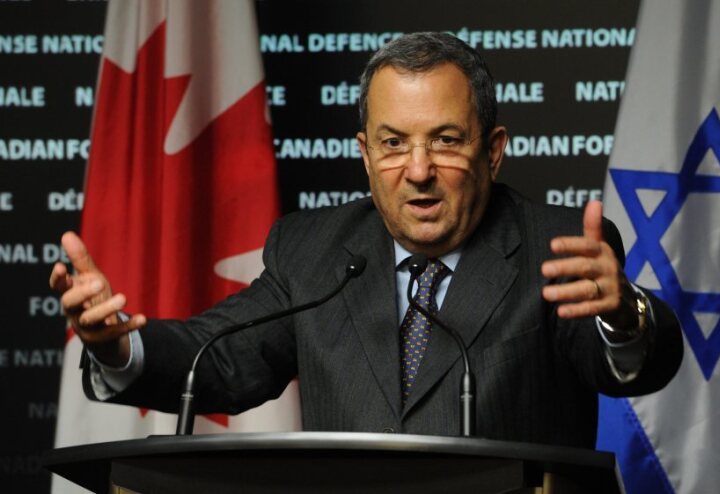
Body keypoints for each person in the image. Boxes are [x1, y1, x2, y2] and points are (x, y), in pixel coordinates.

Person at [50, 32, 683, 447]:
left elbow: (628, 368)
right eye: (392, 142)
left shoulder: (557, 246)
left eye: (445, 139)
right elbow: (215, 359)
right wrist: (117, 346)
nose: (417, 170)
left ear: (493, 152)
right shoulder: (313, 249)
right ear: (364, 153)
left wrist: (626, 318)